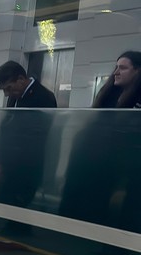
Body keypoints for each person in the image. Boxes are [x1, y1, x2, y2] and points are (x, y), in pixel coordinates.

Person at [60, 51, 141, 231]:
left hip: (118, 170)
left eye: (123, 68)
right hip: (94, 165)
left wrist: (123, 183)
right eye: (116, 67)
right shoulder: (109, 94)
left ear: (137, 71)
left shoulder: (135, 102)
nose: (116, 72)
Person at [0, 60, 57, 208]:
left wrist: (7, 164)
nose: (7, 94)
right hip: (9, 166)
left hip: (26, 168)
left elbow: (36, 139)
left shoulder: (44, 97)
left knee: (20, 206)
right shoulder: (15, 96)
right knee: (5, 203)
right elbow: (5, 130)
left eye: (9, 88)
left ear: (21, 79)